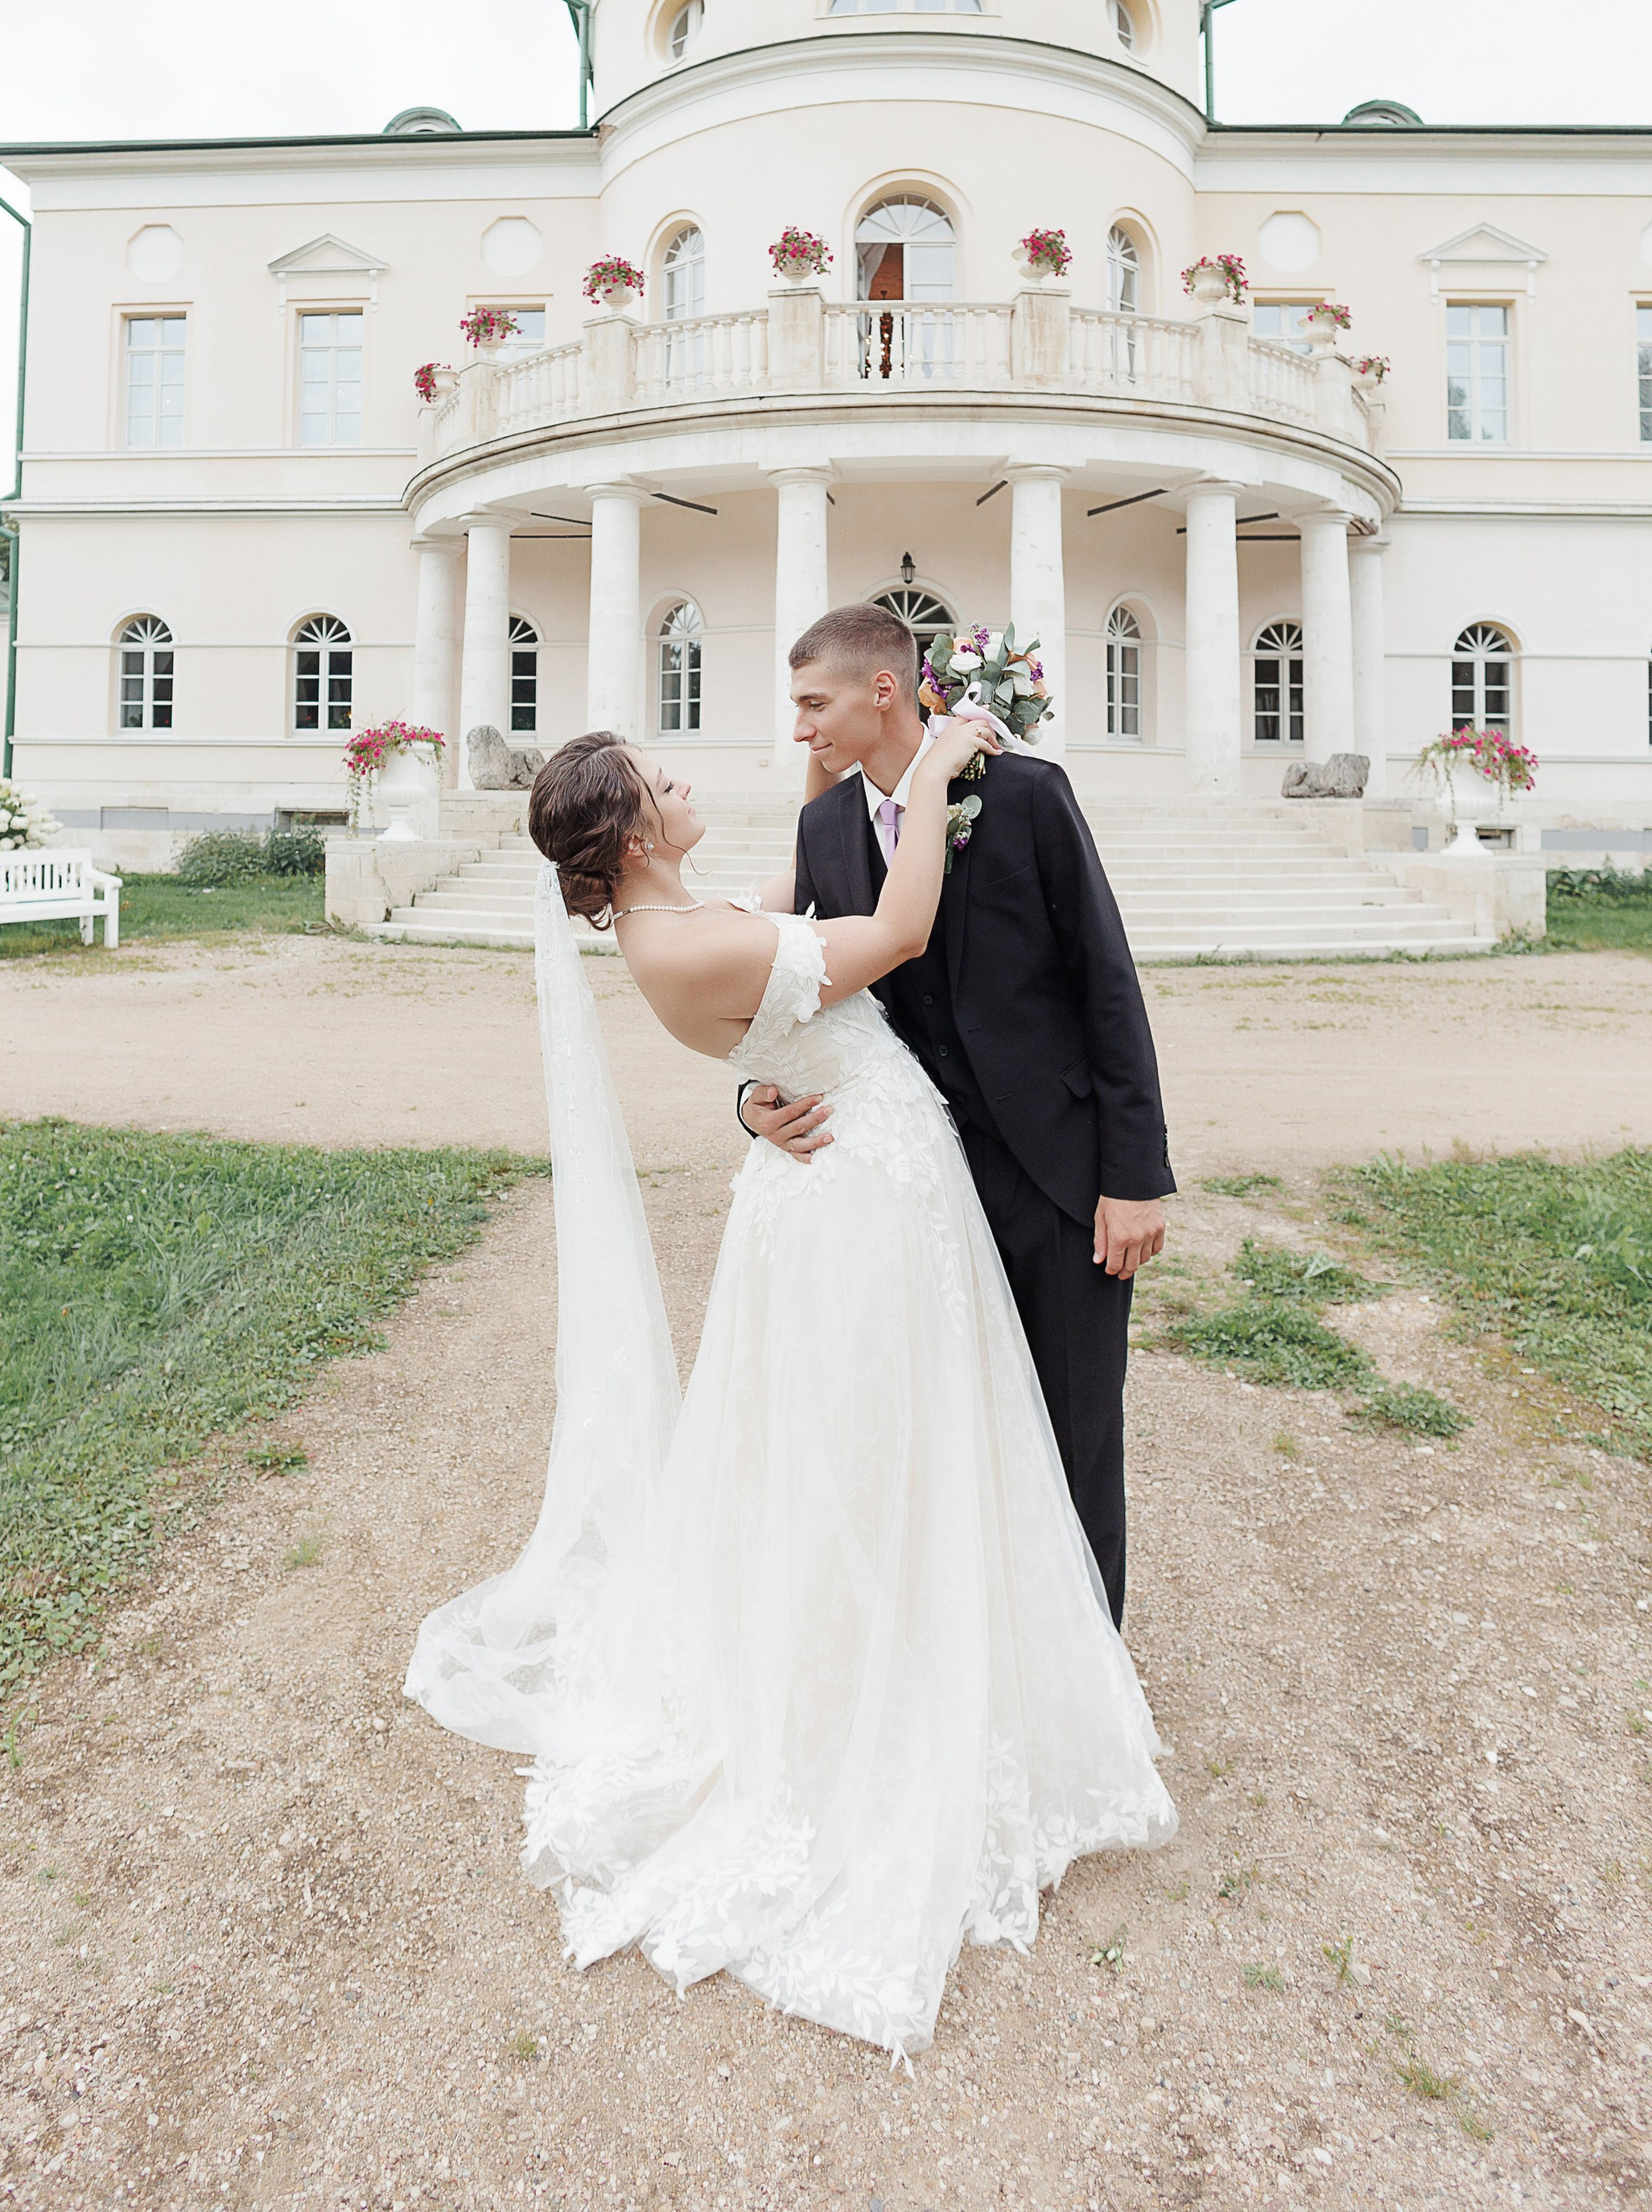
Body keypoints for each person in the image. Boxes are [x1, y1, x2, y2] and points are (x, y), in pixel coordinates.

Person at [406, 726, 1174, 2059]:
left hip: (859, 1178)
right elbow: (896, 930)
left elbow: (791, 944)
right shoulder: (679, 944)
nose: (688, 784)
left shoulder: (684, 914)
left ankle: (939, 1648)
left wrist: (855, 751)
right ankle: (871, 1703)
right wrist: (931, 766)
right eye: (666, 785)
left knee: (888, 1443)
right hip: (851, 1207)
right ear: (633, 837)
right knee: (859, 1451)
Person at [741, 603, 1175, 1625]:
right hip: (912, 1188)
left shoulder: (1026, 794)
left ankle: (1087, 1666)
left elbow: (1105, 981)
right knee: (943, 1438)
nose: (800, 728)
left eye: (814, 704)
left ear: (882, 689)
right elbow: (797, 991)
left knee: (1073, 1436)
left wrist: (1132, 1178)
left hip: (1057, 1177)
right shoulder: (821, 830)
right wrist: (754, 1104)